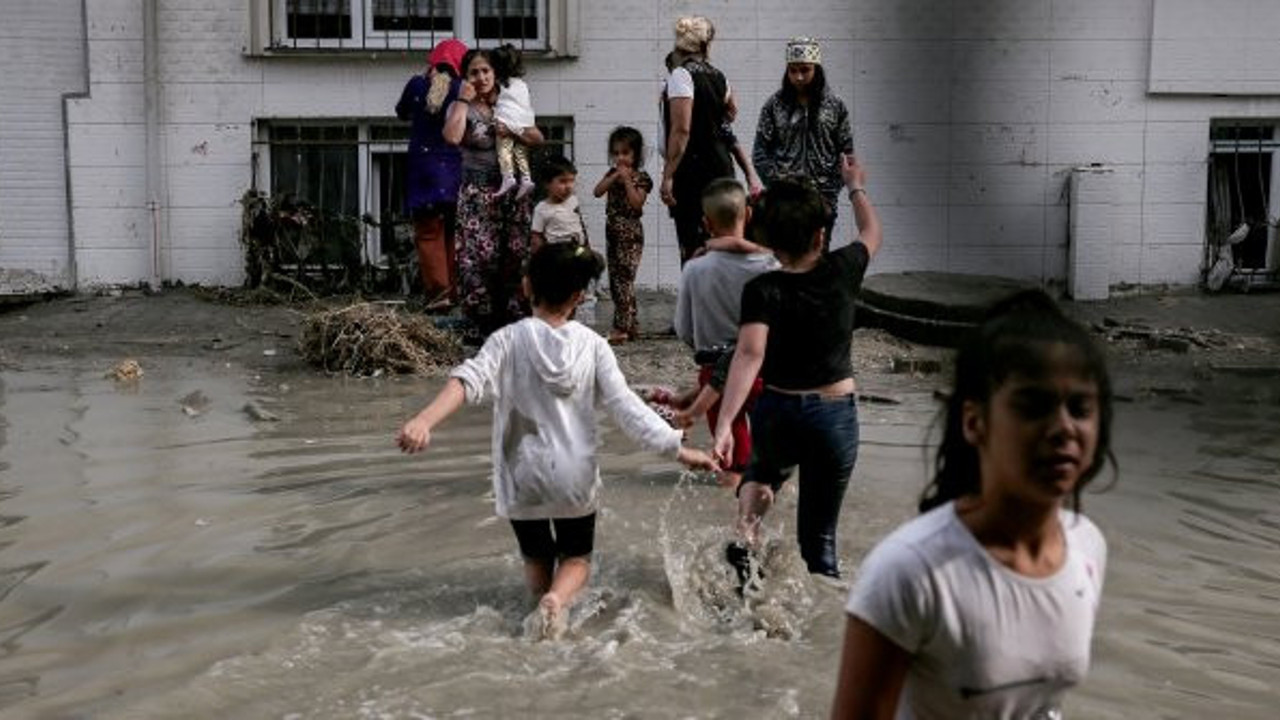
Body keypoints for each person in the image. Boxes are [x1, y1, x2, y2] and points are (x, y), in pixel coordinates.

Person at [396, 242, 718, 638]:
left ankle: (538, 604)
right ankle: (558, 602)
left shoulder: (507, 340)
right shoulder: (594, 346)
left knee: (535, 554)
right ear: (580, 297)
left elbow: (467, 380)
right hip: (573, 475)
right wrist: (678, 449)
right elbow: (627, 410)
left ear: (527, 286)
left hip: (521, 474)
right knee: (578, 558)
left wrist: (424, 420)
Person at [830, 289, 1114, 719]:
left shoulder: (1086, 546)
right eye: (1033, 406)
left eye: (1080, 407)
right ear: (974, 420)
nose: (1063, 428)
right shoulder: (909, 573)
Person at [712, 155, 881, 579]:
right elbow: (871, 232)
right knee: (819, 540)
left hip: (779, 409)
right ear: (820, 235)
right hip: (833, 414)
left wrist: (724, 424)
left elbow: (749, 356)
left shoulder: (763, 288)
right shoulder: (845, 269)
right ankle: (822, 632)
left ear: (770, 242)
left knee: (762, 475)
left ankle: (746, 530)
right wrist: (854, 185)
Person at [672, 178, 778, 489]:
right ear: (748, 213)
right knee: (768, 458)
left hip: (713, 374)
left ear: (706, 222)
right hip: (763, 370)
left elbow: (684, 329)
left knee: (730, 464)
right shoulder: (771, 265)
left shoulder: (695, 268)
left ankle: (728, 523)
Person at [444, 48, 543, 339]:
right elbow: (451, 136)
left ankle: (514, 320)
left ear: (495, 72)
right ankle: (482, 322)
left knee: (515, 253)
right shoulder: (462, 105)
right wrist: (463, 99)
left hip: (513, 192)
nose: (481, 77)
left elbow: (537, 136)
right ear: (466, 76)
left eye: (486, 70)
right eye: (474, 72)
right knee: (477, 258)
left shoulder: (510, 99)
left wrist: (513, 131)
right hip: (477, 191)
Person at [753, 38, 854, 252]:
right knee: (783, 258)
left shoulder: (835, 106)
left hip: (822, 199)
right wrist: (776, 185)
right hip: (784, 199)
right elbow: (760, 152)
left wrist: (831, 191)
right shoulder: (774, 105)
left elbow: (847, 154)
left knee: (819, 257)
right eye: (793, 70)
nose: (798, 77)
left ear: (816, 69)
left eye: (805, 70)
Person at [395, 38, 468, 310]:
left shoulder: (417, 84)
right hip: (454, 170)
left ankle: (439, 295)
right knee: (452, 233)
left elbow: (401, 112)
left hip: (423, 170)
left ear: (433, 61)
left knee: (428, 233)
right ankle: (455, 291)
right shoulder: (463, 88)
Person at [659, 15, 738, 265]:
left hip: (693, 172)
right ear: (706, 44)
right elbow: (732, 112)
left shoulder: (681, 75)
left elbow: (681, 130)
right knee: (722, 243)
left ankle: (698, 300)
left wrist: (668, 175)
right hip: (721, 168)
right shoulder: (720, 76)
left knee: (693, 247)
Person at [592, 126, 654, 344]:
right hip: (613, 230)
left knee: (625, 280)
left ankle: (622, 327)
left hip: (631, 231)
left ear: (636, 154)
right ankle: (632, 324)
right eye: (616, 153)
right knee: (616, 278)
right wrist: (615, 176)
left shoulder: (642, 178)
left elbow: (637, 203)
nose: (620, 158)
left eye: (625, 153)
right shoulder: (612, 174)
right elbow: (597, 191)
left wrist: (627, 179)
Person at [490, 43, 537, 200]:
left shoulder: (498, 84)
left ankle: (508, 176)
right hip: (525, 123)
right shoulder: (523, 85)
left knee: (503, 149)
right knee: (520, 151)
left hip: (506, 121)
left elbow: (492, 100)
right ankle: (526, 178)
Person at [531, 154, 586, 250]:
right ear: (547, 184)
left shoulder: (573, 200)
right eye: (563, 181)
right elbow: (536, 237)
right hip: (557, 254)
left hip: (577, 249)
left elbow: (580, 225)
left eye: (572, 180)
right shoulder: (541, 209)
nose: (569, 186)